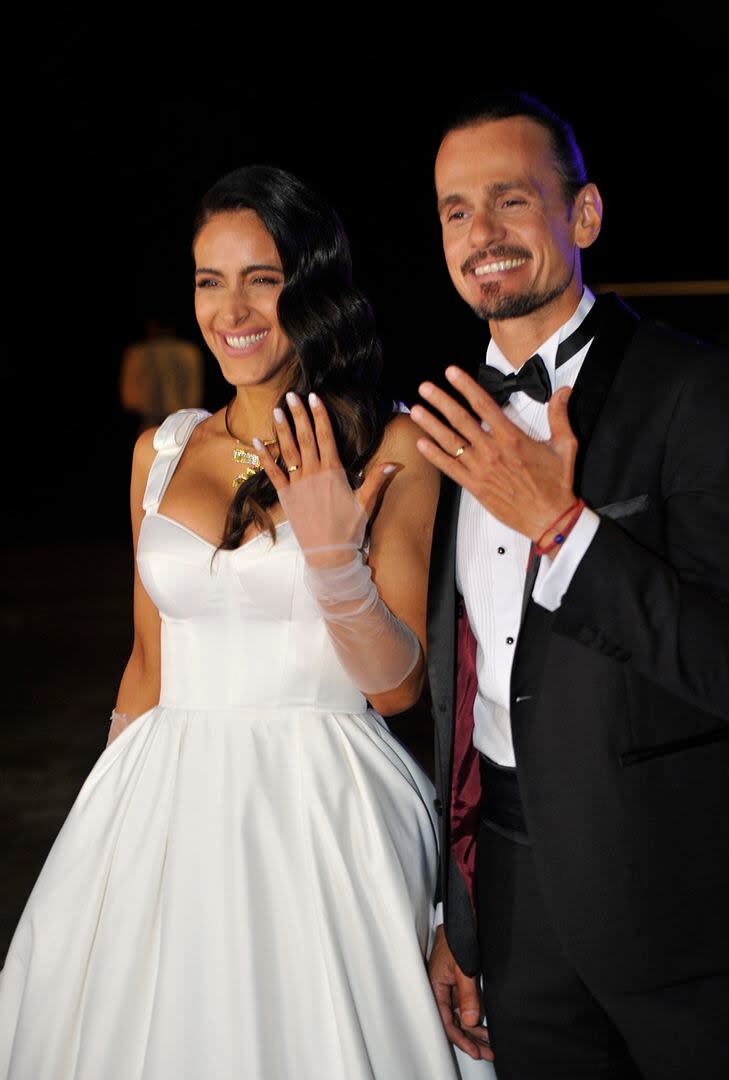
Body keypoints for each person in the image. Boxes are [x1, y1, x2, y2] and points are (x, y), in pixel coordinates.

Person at [0, 166, 489, 1079]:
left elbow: (396, 686)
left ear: (309, 285)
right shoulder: (161, 447)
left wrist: (332, 557)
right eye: (208, 280)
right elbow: (147, 664)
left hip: (322, 804)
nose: (232, 309)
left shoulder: (391, 445)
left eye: (261, 277)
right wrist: (101, 829)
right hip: (161, 798)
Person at [411, 92, 729, 1078]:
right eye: (457, 211)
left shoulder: (695, 391)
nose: (483, 234)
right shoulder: (438, 421)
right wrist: (456, 914)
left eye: (512, 200)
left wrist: (564, 528)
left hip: (679, 910)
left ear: (582, 217)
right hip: (506, 897)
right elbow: (455, 700)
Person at [119, 316, 204, 433]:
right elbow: (195, 393)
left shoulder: (137, 353)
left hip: (152, 421)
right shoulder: (189, 352)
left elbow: (128, 396)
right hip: (179, 422)